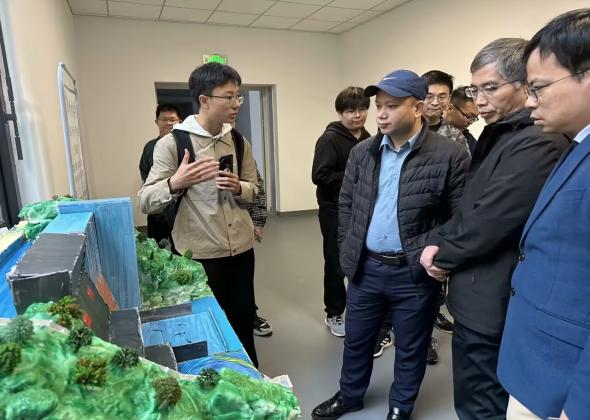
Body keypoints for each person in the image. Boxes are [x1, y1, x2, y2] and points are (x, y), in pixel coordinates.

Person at [420, 38, 569, 420]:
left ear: (524, 84)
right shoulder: (502, 133)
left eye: (490, 88)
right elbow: (471, 203)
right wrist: (441, 241)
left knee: (482, 403)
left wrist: (443, 256)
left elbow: (493, 219)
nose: (480, 101)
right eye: (475, 90)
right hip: (476, 293)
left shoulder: (537, 142)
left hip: (493, 299)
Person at [311, 70, 469, 420]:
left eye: (392, 106)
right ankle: (350, 395)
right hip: (366, 267)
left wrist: (433, 251)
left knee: (411, 346)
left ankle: (401, 406)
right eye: (379, 105)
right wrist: (349, 249)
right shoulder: (362, 152)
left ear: (417, 108)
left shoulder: (450, 155)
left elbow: (459, 217)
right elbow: (347, 203)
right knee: (357, 340)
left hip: (413, 272)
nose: (380, 114)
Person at [496, 9, 590, 420]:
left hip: (566, 387)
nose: (530, 101)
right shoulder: (577, 144)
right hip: (543, 364)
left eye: (538, 88)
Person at [138, 63, 260, 367]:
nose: (236, 103)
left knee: (243, 320)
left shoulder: (239, 141)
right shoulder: (172, 144)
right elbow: (145, 200)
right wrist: (175, 182)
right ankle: (213, 377)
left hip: (242, 251)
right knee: (207, 329)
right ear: (204, 100)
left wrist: (239, 187)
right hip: (201, 257)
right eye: (229, 97)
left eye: (238, 96)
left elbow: (255, 189)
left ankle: (249, 374)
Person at [311, 87, 371, 337]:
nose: (357, 115)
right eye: (350, 111)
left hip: (362, 208)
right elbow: (319, 175)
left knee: (363, 260)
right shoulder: (329, 139)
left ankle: (363, 309)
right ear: (340, 112)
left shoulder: (368, 137)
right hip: (334, 210)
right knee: (336, 262)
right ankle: (334, 313)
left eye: (362, 109)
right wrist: (353, 177)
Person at [420, 69, 457, 366]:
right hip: (413, 220)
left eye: (441, 96)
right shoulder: (407, 130)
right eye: (430, 96)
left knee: (435, 277)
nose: (435, 102)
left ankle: (432, 319)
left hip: (442, 222)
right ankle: (418, 335)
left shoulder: (455, 135)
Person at [138, 104, 181, 244]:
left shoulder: (185, 145)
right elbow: (144, 171)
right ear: (156, 122)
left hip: (181, 210)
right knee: (156, 249)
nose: (168, 123)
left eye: (173, 119)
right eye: (164, 119)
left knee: (181, 249)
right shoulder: (150, 147)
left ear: (180, 121)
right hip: (157, 210)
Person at [248, 164, 273, 337]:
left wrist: (257, 221)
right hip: (196, 238)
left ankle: (250, 315)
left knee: (243, 279)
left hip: (238, 229)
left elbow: (257, 186)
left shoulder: (240, 149)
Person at [440, 87, 479, 155]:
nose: (471, 122)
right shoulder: (425, 130)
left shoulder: (469, 142)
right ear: (450, 108)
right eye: (469, 116)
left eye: (474, 118)